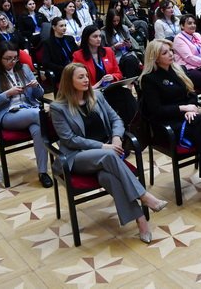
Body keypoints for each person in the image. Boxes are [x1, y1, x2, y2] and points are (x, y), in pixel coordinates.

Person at [51, 63, 167, 243]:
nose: (86, 80)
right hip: (77, 157)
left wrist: (116, 138)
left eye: (86, 76)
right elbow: (70, 140)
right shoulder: (58, 108)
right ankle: (144, 196)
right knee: (110, 155)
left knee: (109, 178)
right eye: (80, 77)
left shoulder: (97, 96)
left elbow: (116, 120)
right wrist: (103, 147)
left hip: (107, 154)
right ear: (68, 81)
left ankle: (141, 221)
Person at [140, 39, 201, 202]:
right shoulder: (149, 79)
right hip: (168, 125)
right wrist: (184, 109)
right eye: (165, 53)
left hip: (189, 119)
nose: (171, 54)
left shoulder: (179, 70)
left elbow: (192, 94)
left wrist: (191, 107)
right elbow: (156, 110)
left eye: (171, 51)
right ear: (155, 58)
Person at [0, 41, 52, 188]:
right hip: (8, 114)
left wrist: (36, 86)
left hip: (30, 109)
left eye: (15, 58)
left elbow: (39, 94)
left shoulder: (24, 68)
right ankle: (64, 148)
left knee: (38, 129)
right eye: (8, 58)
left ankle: (43, 172)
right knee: (41, 115)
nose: (12, 62)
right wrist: (7, 94)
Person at [72, 25, 137, 125]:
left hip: (110, 87)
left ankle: (134, 123)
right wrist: (96, 85)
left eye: (99, 36)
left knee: (126, 94)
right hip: (94, 91)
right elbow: (76, 79)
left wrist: (113, 76)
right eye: (95, 36)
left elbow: (118, 73)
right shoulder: (78, 55)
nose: (98, 39)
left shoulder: (108, 51)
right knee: (112, 102)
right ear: (87, 38)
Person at [102, 9, 142, 79]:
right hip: (117, 57)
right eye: (114, 21)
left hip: (128, 53)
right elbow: (103, 52)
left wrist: (129, 45)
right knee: (130, 60)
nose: (116, 23)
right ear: (109, 21)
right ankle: (132, 81)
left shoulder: (124, 28)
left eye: (118, 20)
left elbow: (131, 46)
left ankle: (132, 81)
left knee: (132, 59)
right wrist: (114, 47)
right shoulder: (103, 33)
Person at [42, 17, 79, 83]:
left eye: (65, 25)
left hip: (75, 67)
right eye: (61, 26)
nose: (64, 28)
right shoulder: (48, 43)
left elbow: (78, 53)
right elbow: (46, 63)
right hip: (61, 71)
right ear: (54, 27)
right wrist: (64, 69)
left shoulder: (70, 39)